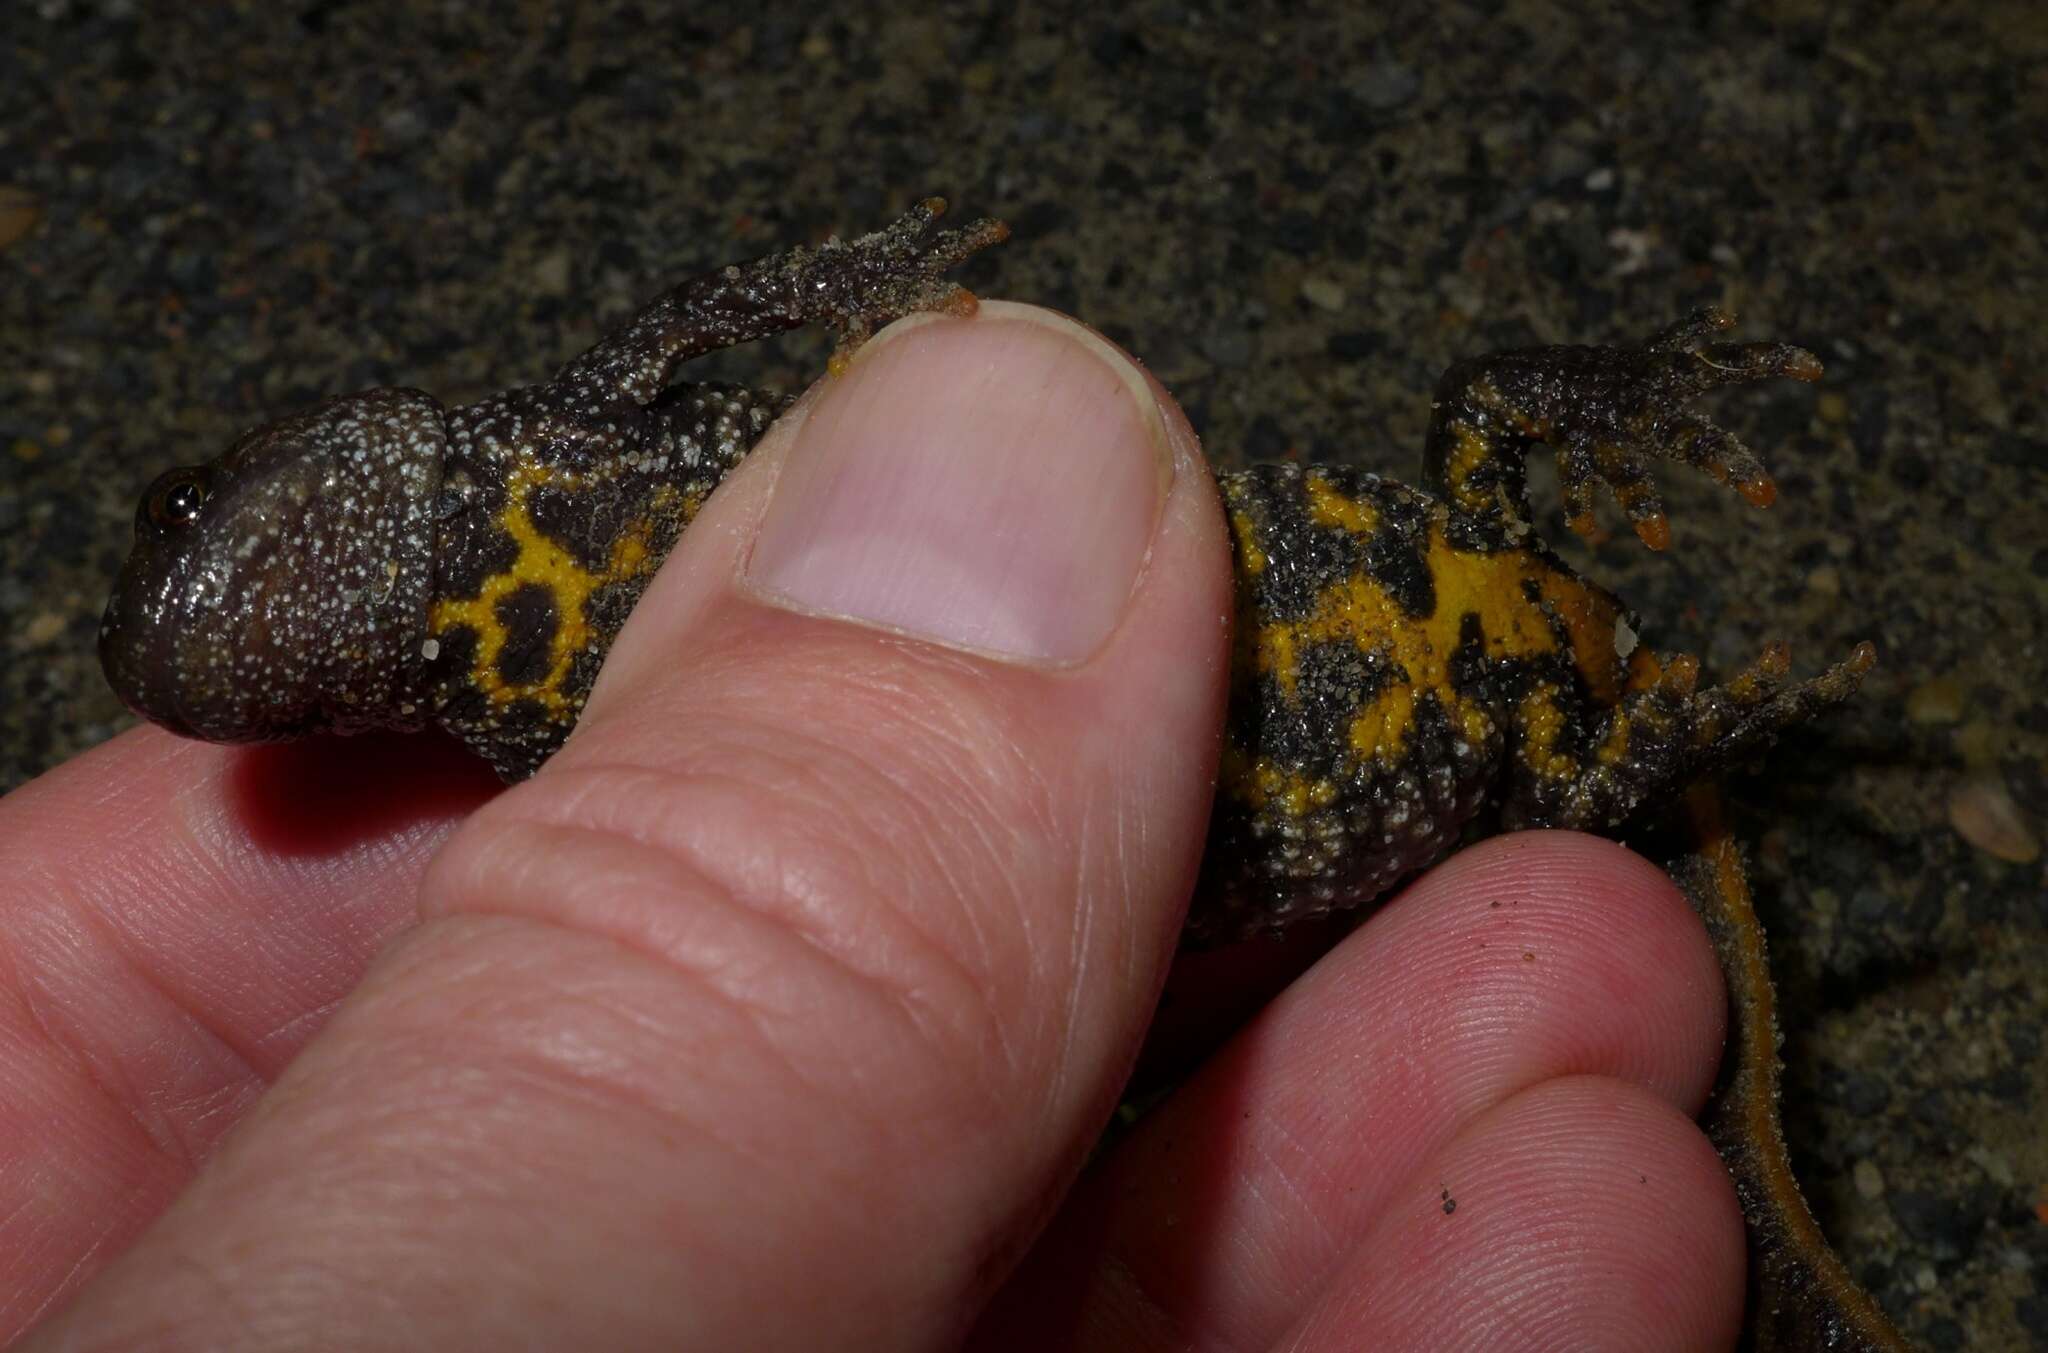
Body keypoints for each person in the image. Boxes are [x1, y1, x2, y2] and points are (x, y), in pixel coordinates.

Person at [2, 305, 1743, 1349]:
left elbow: (680, 338)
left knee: (1507, 515)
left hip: (1365, 677)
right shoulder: (529, 691)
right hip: (1360, 753)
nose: (208, 539)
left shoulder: (516, 464)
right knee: (1568, 883)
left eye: (185, 507)